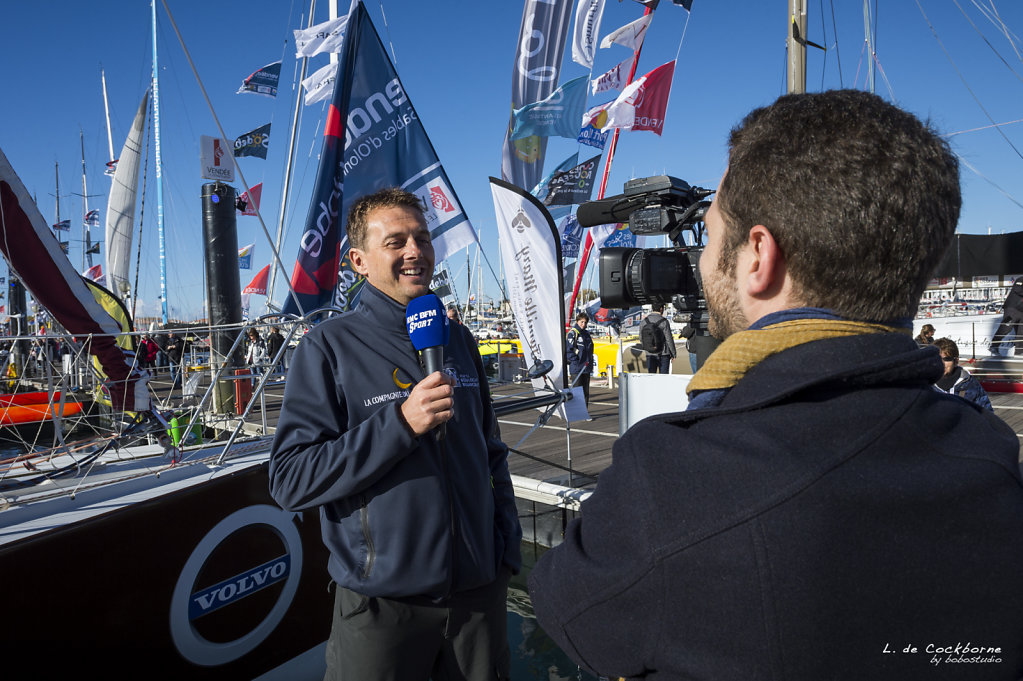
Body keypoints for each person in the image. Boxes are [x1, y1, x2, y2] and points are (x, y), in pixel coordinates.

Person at [527, 90, 1023, 680]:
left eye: (710, 236)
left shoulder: (675, 474)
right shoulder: (989, 454)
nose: (702, 261)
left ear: (758, 254)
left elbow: (570, 609)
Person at [269, 187, 521, 681]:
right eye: (397, 241)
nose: (415, 252)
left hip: (478, 599)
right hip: (382, 610)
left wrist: (505, 549)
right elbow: (290, 479)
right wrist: (400, 424)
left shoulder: (458, 338)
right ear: (359, 260)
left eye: (422, 238)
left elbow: (491, 451)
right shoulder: (328, 348)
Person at [933, 337, 992, 410]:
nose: (941, 363)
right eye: (936, 358)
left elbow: (986, 415)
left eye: (947, 359)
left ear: (956, 361)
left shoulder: (971, 385)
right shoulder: (922, 386)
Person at [566, 312, 594, 410]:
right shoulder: (572, 333)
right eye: (582, 322)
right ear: (577, 321)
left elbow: (590, 349)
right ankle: (576, 411)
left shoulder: (586, 334)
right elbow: (568, 350)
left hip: (586, 367)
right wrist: (576, 362)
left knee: (586, 392)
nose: (583, 324)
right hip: (577, 368)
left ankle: (584, 412)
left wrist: (589, 362)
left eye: (585, 322)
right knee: (577, 391)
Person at [990, 276, 1023, 355]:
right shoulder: (1021, 279)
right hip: (1012, 308)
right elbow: (1017, 289)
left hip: (1022, 311)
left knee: (1021, 333)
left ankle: (1019, 353)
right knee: (1005, 327)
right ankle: (994, 346)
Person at [639, 303, 676, 373]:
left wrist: (648, 348)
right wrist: (673, 353)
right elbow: (669, 339)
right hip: (663, 353)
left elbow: (641, 338)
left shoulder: (643, 322)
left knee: (652, 376)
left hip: (649, 353)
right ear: (661, 309)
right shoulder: (664, 321)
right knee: (663, 377)